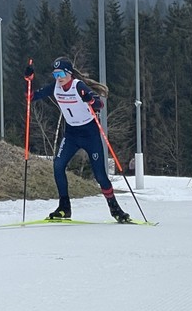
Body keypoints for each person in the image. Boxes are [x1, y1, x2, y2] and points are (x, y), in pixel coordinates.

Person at [24, 56, 131, 223]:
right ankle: (64, 208)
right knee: (58, 166)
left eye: (60, 74)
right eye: (55, 75)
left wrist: (90, 99)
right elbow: (30, 97)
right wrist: (28, 80)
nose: (58, 78)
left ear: (69, 73)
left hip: (90, 134)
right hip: (72, 134)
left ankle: (115, 209)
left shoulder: (77, 86)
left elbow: (99, 105)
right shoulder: (55, 88)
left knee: (100, 175)